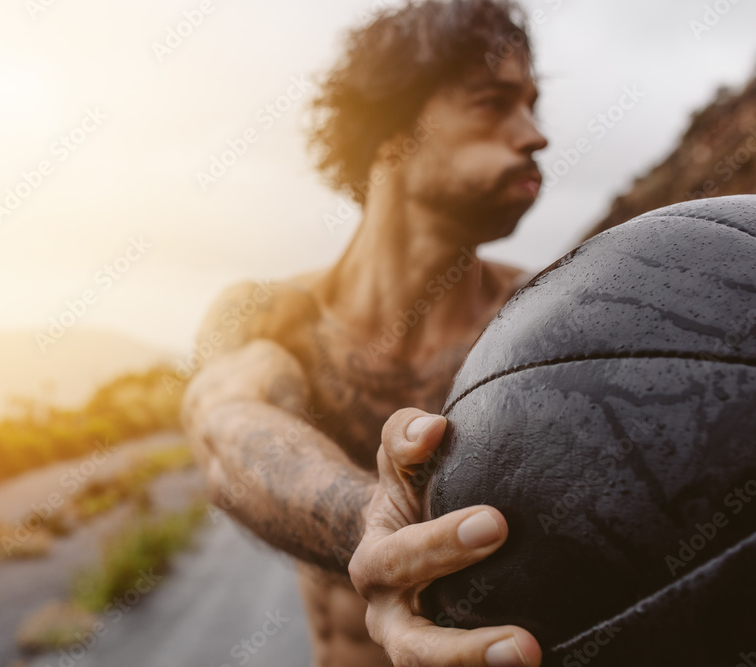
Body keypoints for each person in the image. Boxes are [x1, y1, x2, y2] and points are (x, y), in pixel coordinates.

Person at [183, 1, 548, 665]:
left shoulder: (547, 315)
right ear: (390, 130)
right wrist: (375, 527)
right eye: (493, 103)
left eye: (532, 104)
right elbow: (224, 423)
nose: (534, 134)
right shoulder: (268, 314)